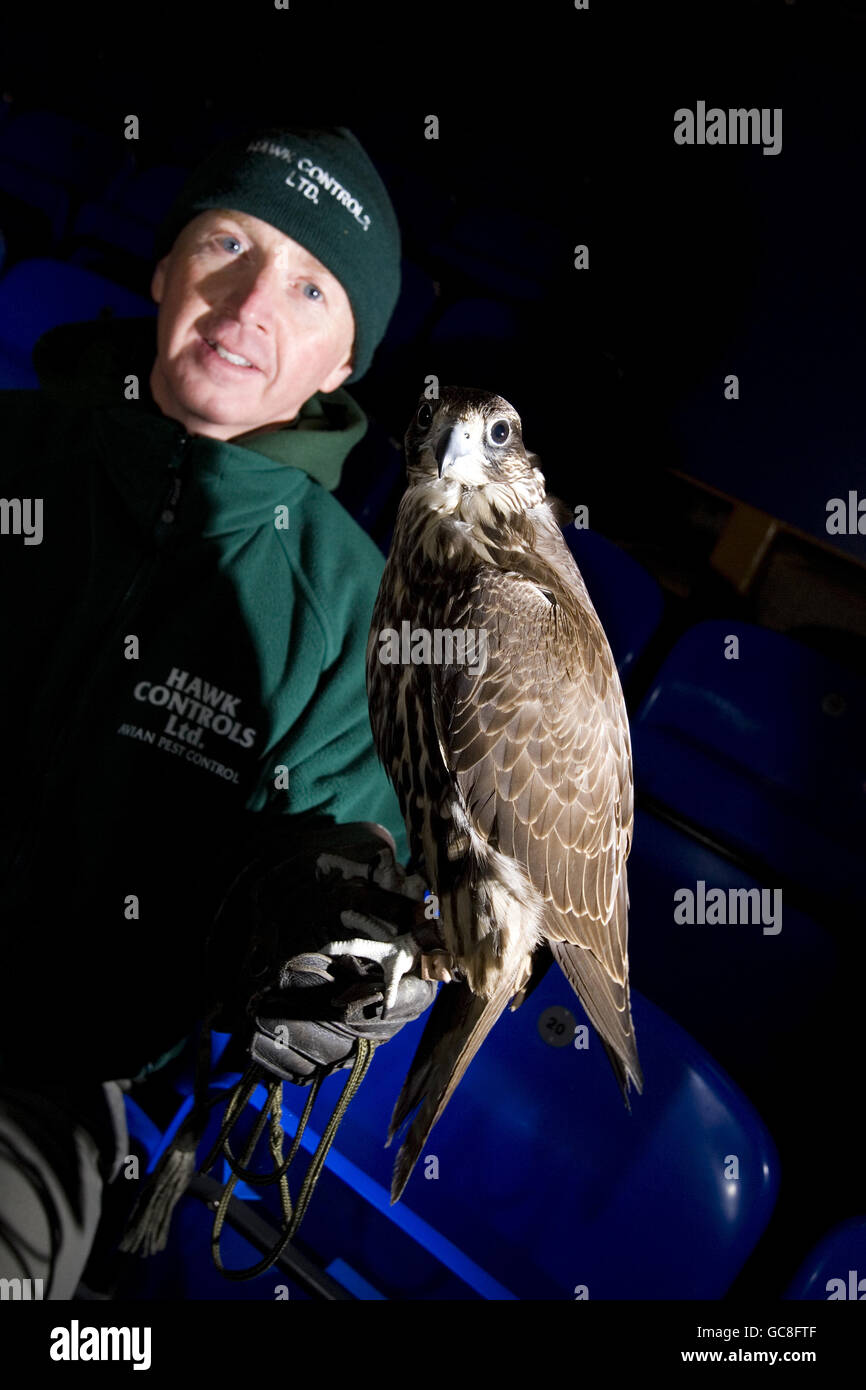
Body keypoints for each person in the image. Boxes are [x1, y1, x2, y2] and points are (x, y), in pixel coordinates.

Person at [0, 124, 437, 1298]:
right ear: (163, 268)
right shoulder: (11, 450)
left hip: (49, 1085)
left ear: (344, 360)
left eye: (307, 286)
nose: (250, 302)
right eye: (227, 242)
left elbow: (335, 854)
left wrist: (326, 938)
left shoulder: (355, 617)